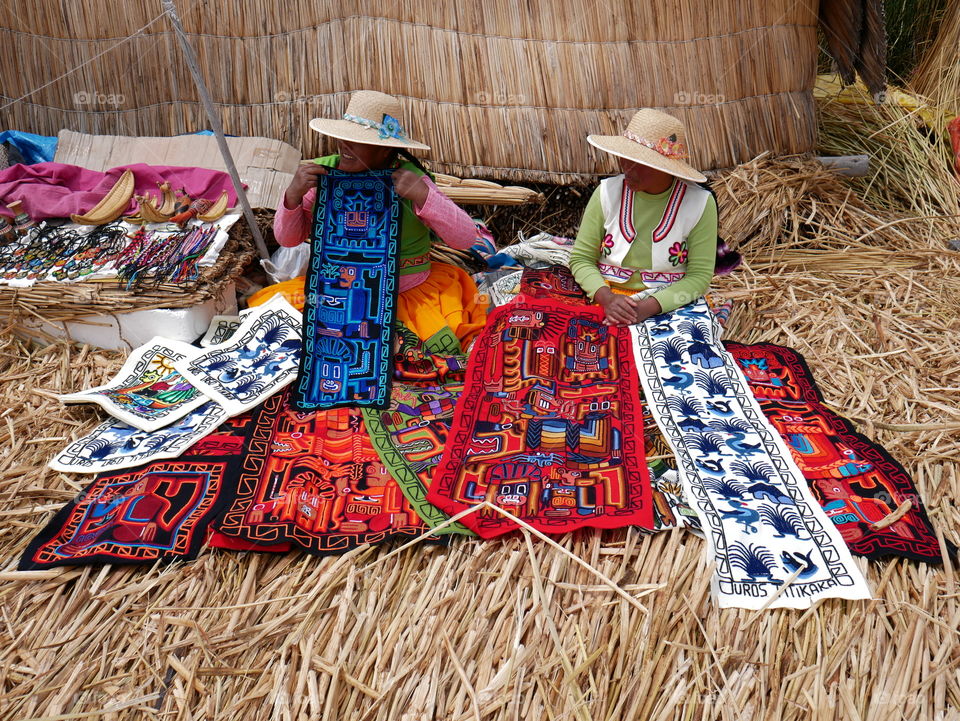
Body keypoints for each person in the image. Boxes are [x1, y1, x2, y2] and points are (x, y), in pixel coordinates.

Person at [258, 90, 485, 350]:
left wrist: (423, 196)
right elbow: (288, 239)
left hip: (405, 293)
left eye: (357, 141)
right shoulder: (320, 175)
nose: (345, 145)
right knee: (277, 332)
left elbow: (465, 238)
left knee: (418, 350)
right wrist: (293, 195)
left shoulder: (411, 181)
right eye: (343, 137)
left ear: (385, 148)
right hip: (335, 294)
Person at [568, 109, 719, 326]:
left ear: (665, 168)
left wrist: (647, 308)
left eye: (638, 162)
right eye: (625, 158)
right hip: (605, 294)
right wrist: (607, 298)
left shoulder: (699, 203)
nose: (627, 169)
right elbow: (581, 259)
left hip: (668, 302)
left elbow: (699, 277)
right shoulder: (607, 193)